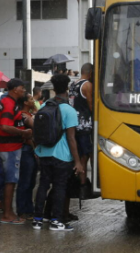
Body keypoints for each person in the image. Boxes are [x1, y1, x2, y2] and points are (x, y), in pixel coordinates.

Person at [33, 74, 83, 232]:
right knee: (60, 187)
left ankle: (38, 220)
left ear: (53, 89)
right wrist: (78, 162)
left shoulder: (44, 107)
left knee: (43, 186)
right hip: (62, 156)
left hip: (44, 154)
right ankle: (56, 221)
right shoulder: (69, 110)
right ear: (67, 89)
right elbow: (71, 138)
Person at [0, 78, 33, 224]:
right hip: (10, 147)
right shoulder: (9, 103)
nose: (24, 90)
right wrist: (23, 133)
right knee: (10, 180)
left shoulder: (9, 102)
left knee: (1, 176)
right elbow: (4, 126)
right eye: (22, 87)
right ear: (15, 89)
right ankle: (8, 214)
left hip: (6, 146)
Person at [68, 63, 94, 222]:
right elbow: (91, 106)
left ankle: (80, 182)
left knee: (78, 154)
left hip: (74, 124)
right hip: (84, 125)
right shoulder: (87, 85)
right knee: (84, 156)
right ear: (90, 73)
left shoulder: (73, 84)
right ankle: (82, 186)